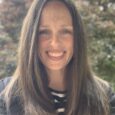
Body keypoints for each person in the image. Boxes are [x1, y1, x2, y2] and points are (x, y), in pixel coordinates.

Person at [0, 0, 115, 115]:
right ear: (31, 37)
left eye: (65, 31)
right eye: (44, 32)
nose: (55, 43)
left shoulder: (105, 96)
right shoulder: (5, 96)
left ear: (77, 37)